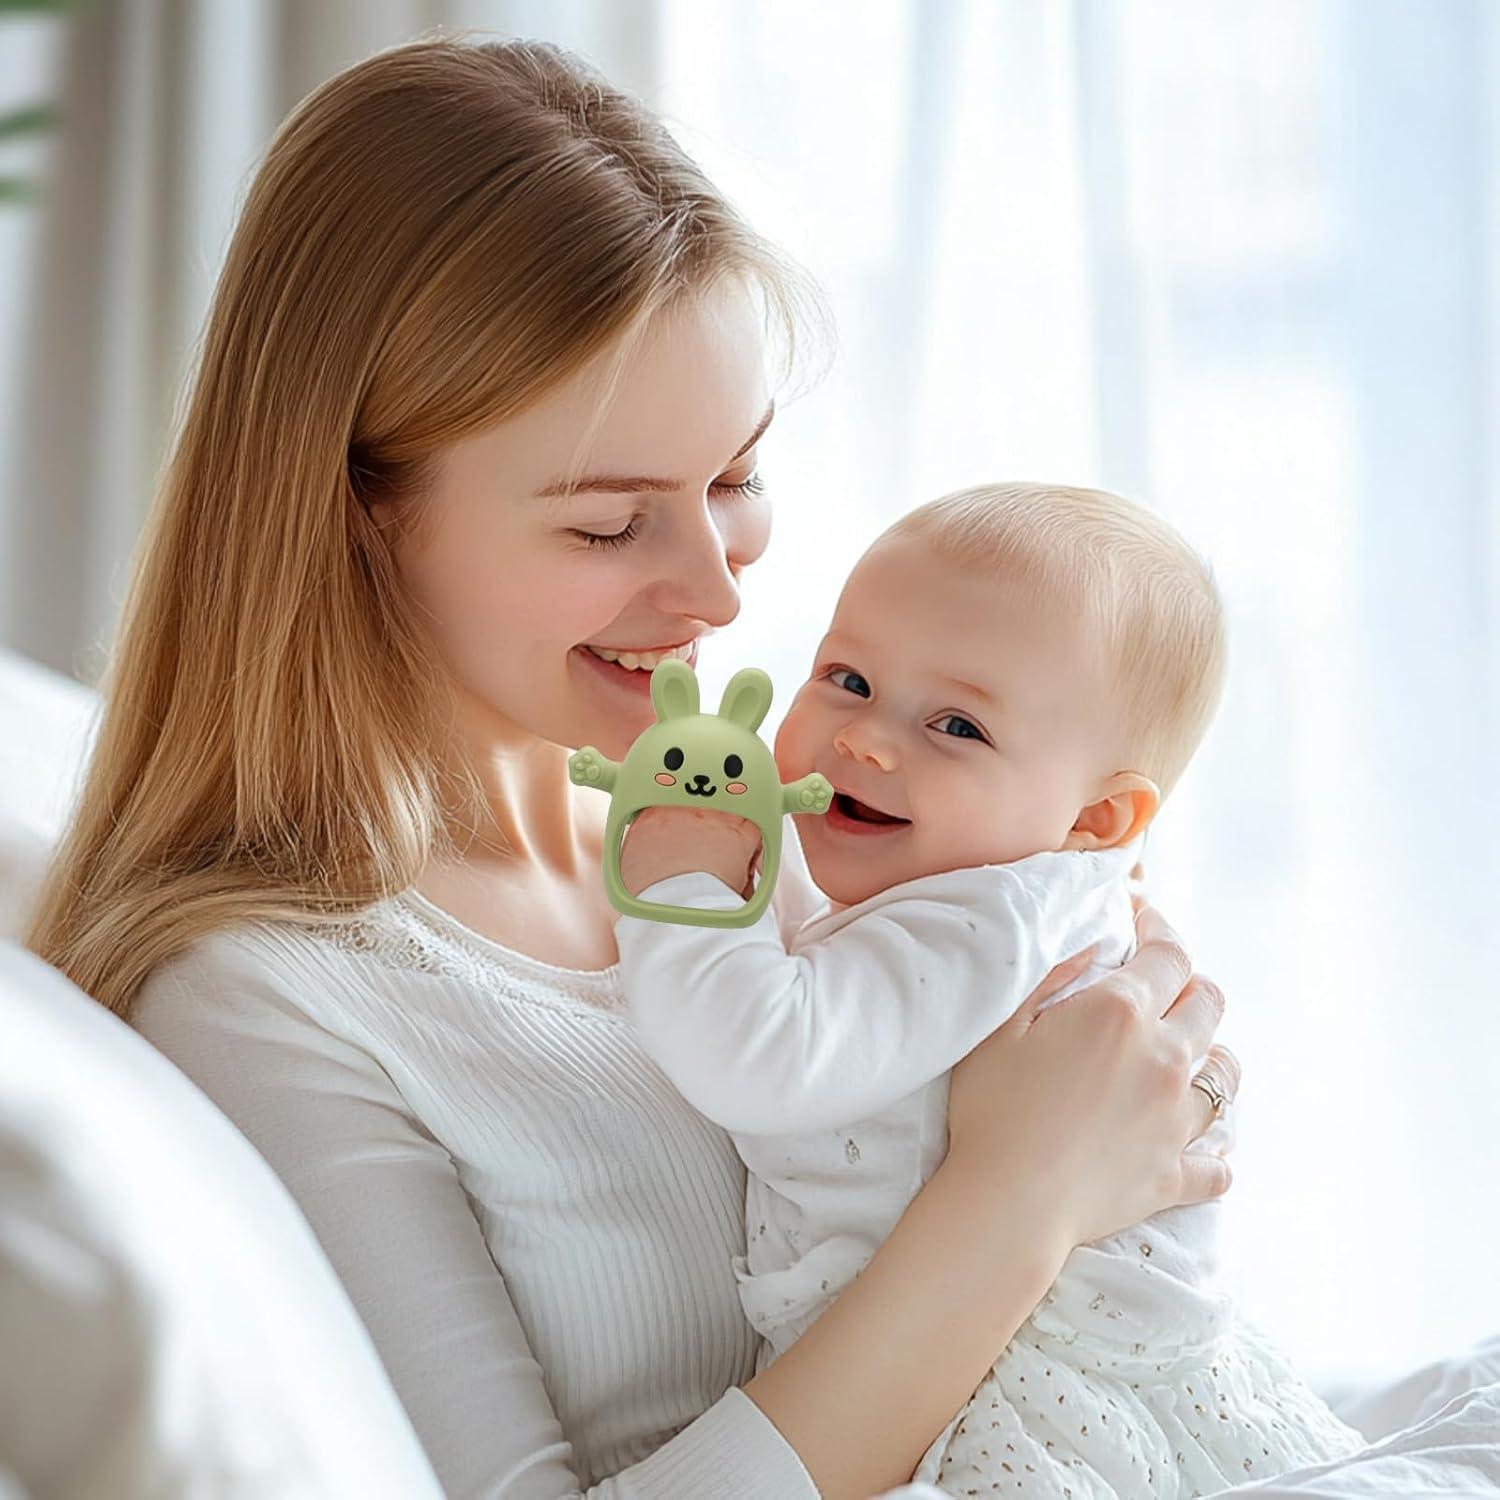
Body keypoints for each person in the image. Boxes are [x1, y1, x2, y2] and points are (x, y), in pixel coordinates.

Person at [24, 34, 1236, 1499]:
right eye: (610, 526)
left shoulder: (785, 824)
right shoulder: (269, 1002)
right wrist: (1021, 1200)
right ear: (355, 509)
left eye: (735, 480)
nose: (719, 595)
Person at [611, 483, 1362, 1497]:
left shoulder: (985, 917)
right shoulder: (990, 893)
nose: (867, 740)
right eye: (848, 677)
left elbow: (763, 1057)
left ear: (1095, 821)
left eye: (957, 726)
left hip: (1013, 1391)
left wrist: (686, 889)